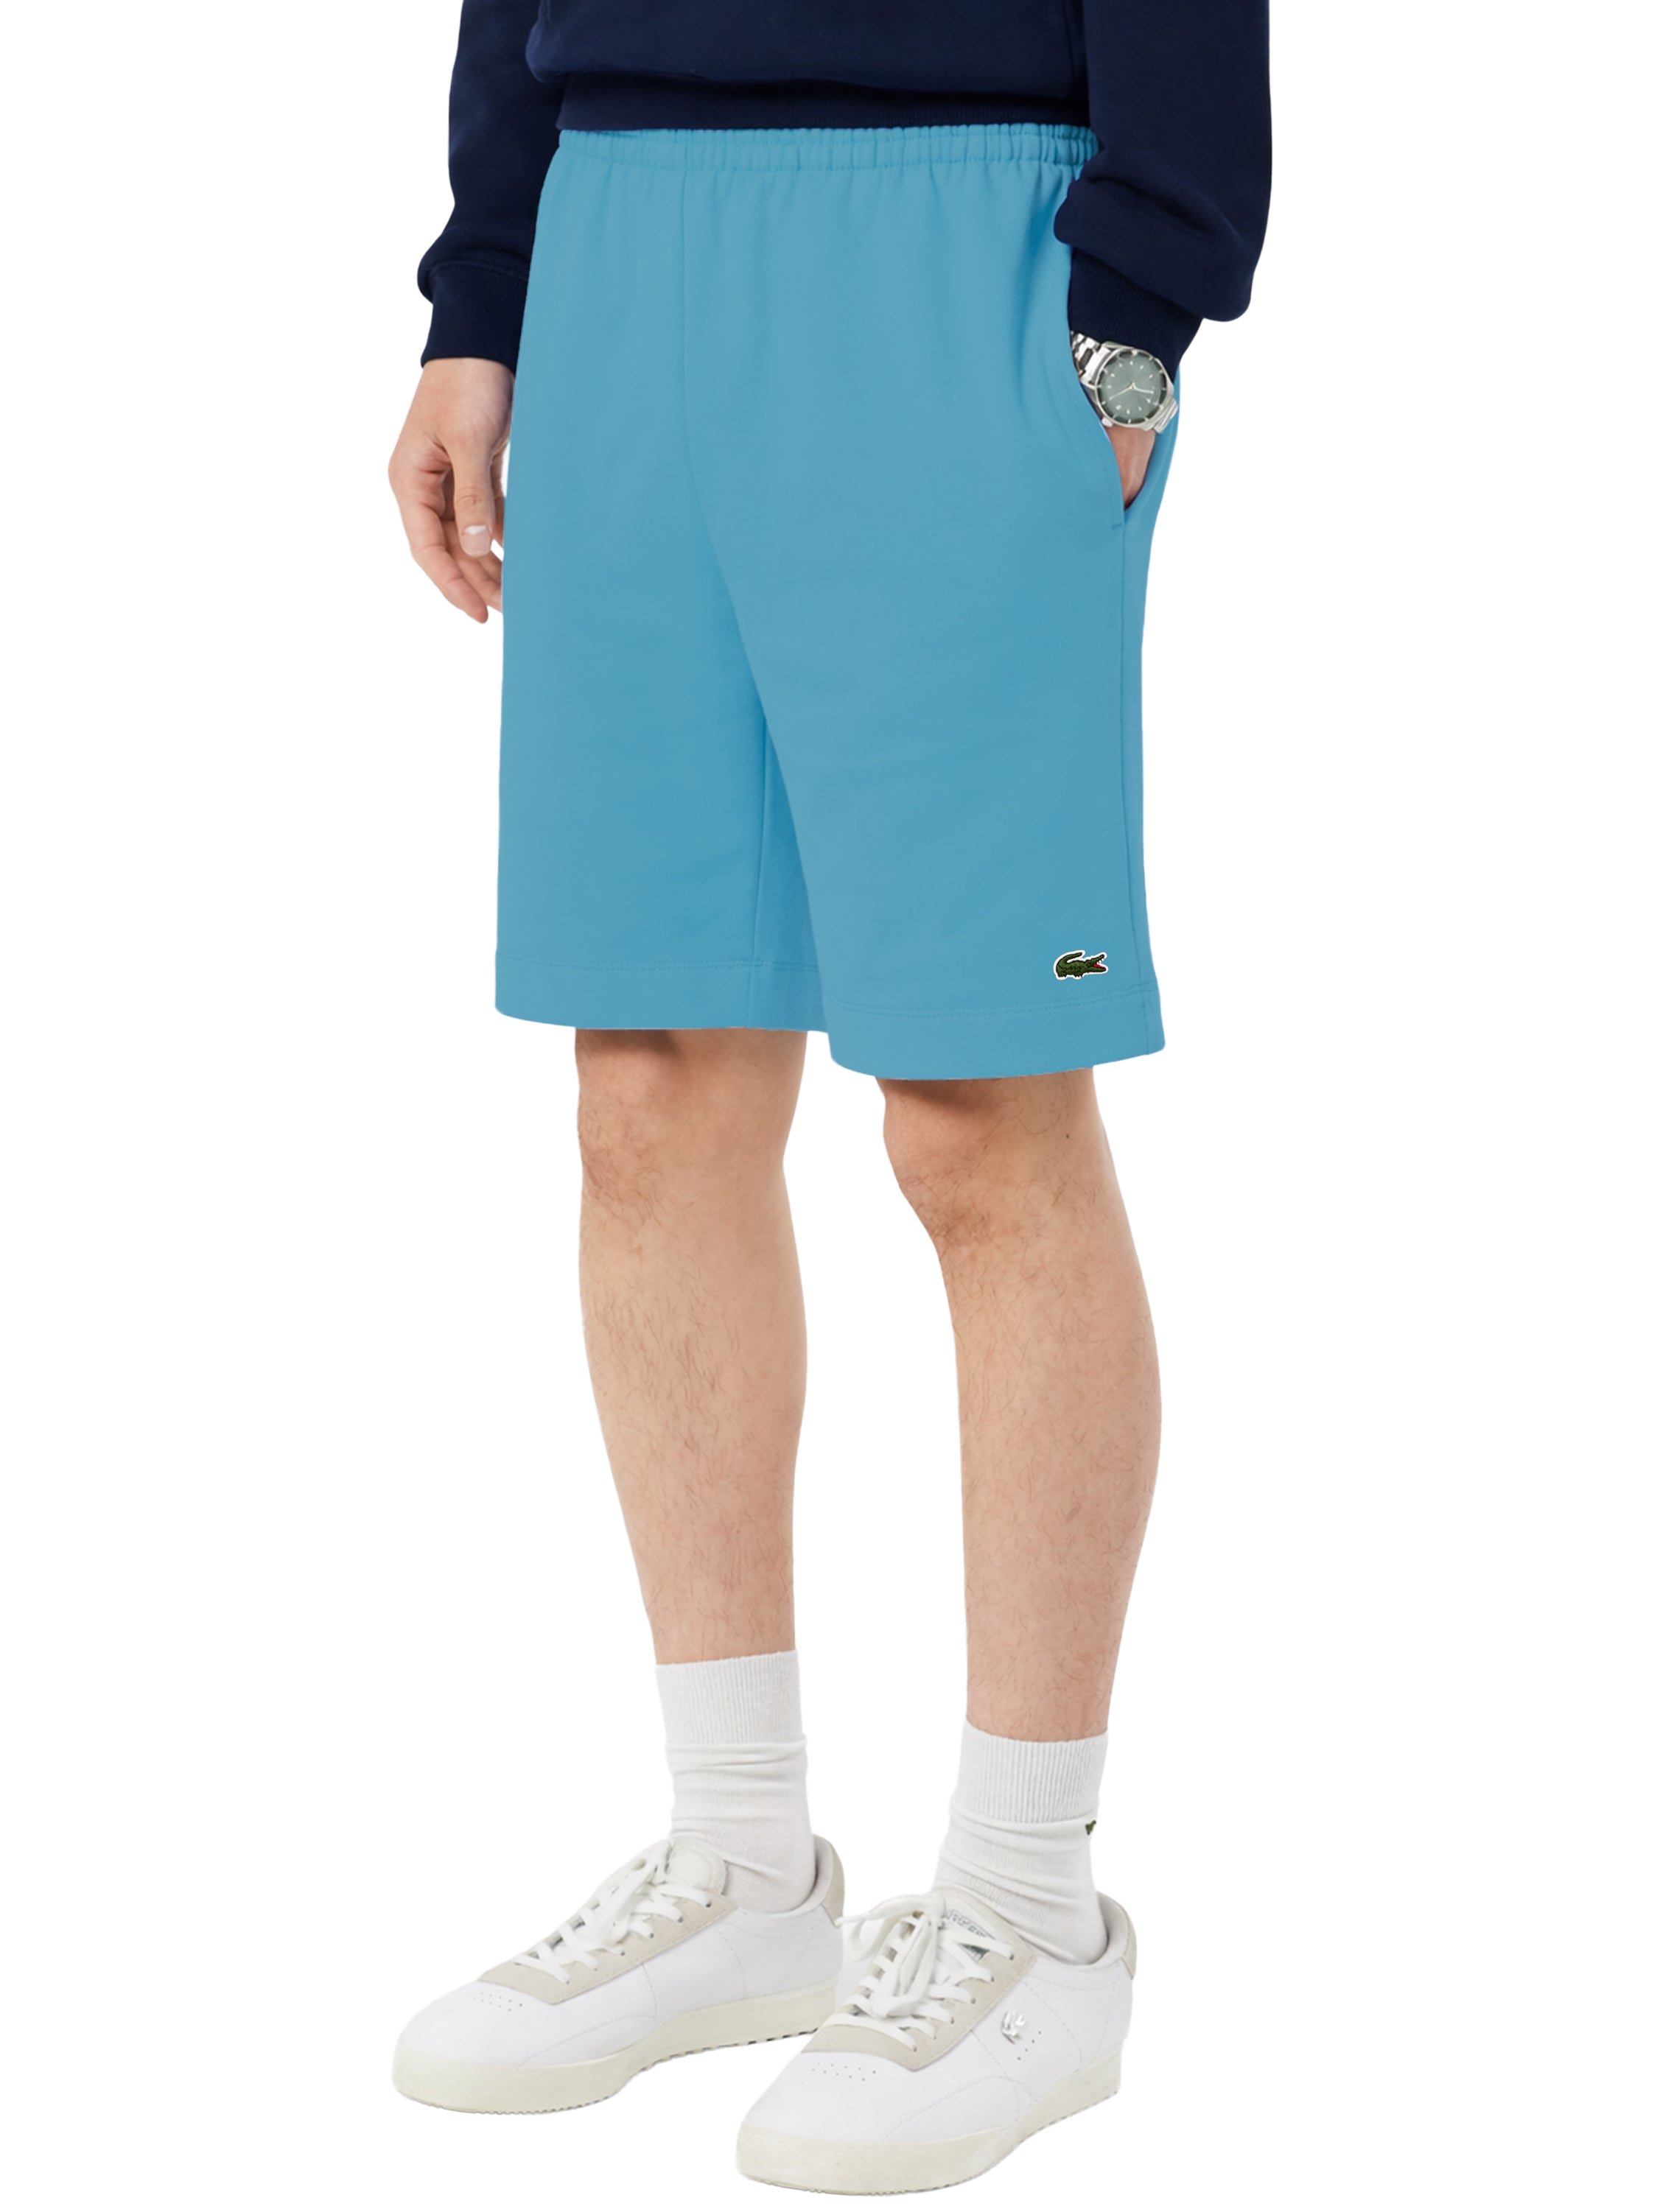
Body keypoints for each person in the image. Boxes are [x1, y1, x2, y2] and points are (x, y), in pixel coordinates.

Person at [387, 1, 1269, 2191]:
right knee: (650, 1084)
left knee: (978, 1109)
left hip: (970, 225)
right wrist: (483, 291)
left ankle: (1032, 1905)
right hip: (617, 238)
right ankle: (742, 1858)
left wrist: (1145, 285)